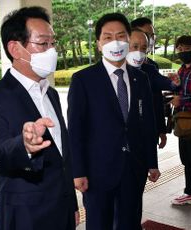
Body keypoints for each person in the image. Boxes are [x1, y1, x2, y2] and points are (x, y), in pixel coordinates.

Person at [0, 7, 78, 230]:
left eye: (53, 43)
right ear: (15, 48)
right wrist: (25, 146)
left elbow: (62, 154)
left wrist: (72, 203)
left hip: (62, 209)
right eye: (43, 43)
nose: (51, 51)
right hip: (25, 215)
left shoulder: (50, 93)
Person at [68, 13, 160, 230]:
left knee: (130, 222)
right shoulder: (83, 80)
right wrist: (78, 171)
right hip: (97, 171)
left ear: (128, 40)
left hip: (133, 168)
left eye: (120, 36)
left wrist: (152, 162)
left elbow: (148, 122)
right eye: (107, 37)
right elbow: (75, 129)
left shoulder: (141, 78)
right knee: (99, 224)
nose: (115, 42)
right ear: (99, 44)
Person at [126, 29, 179, 148]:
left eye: (143, 48)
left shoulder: (149, 70)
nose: (139, 51)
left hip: (145, 135)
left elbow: (165, 85)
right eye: (134, 46)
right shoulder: (111, 72)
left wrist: (174, 83)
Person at [170, 35, 191, 205]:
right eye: (180, 49)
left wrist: (182, 100)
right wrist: (173, 85)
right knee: (187, 159)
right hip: (183, 121)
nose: (183, 53)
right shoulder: (182, 69)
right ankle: (190, 193)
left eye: (187, 49)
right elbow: (179, 90)